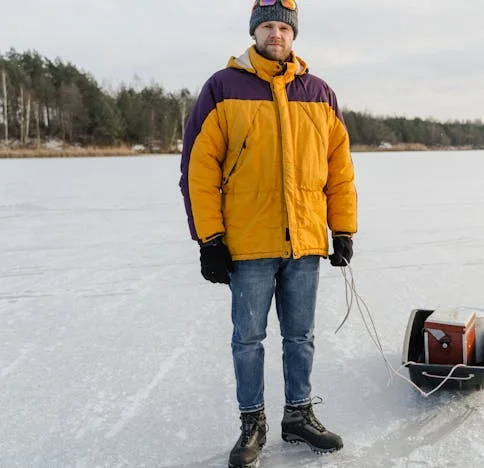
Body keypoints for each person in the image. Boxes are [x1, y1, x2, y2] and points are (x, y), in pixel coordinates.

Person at [178, 1, 357, 466]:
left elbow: (339, 171)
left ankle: (298, 415)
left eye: (283, 27)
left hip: (304, 242)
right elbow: (198, 170)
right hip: (248, 243)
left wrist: (343, 229)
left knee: (301, 336)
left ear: (293, 35)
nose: (276, 34)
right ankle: (252, 423)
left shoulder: (320, 92)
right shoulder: (222, 87)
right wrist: (210, 240)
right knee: (248, 339)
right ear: (255, 33)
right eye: (268, 27)